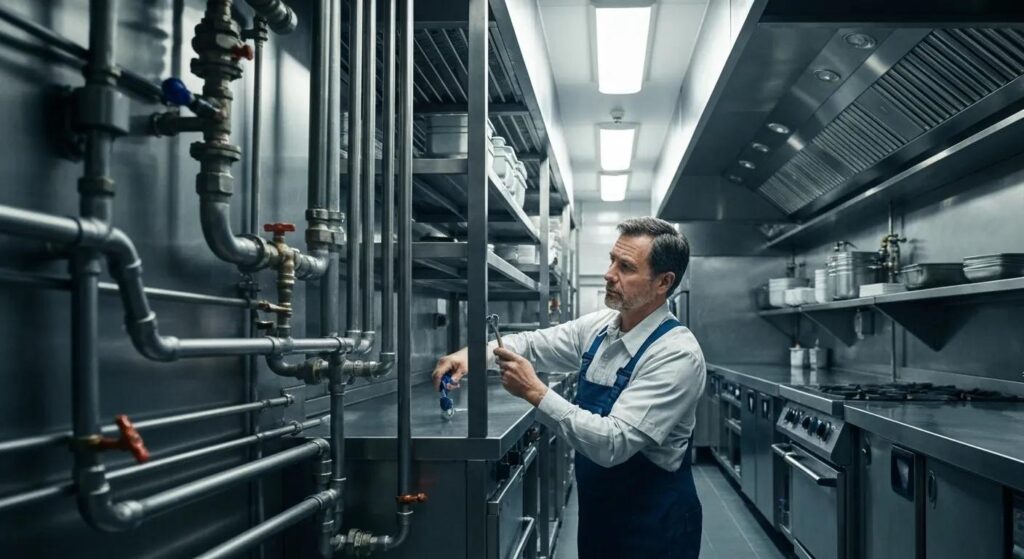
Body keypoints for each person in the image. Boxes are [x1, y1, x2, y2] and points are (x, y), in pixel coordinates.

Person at [432, 217, 706, 559]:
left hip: (654, 523)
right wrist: (471, 355)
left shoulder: (676, 354)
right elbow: (532, 343)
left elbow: (613, 443)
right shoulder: (602, 327)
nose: (608, 273)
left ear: (663, 282)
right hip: (600, 513)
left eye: (625, 267)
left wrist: (535, 392)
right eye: (611, 260)